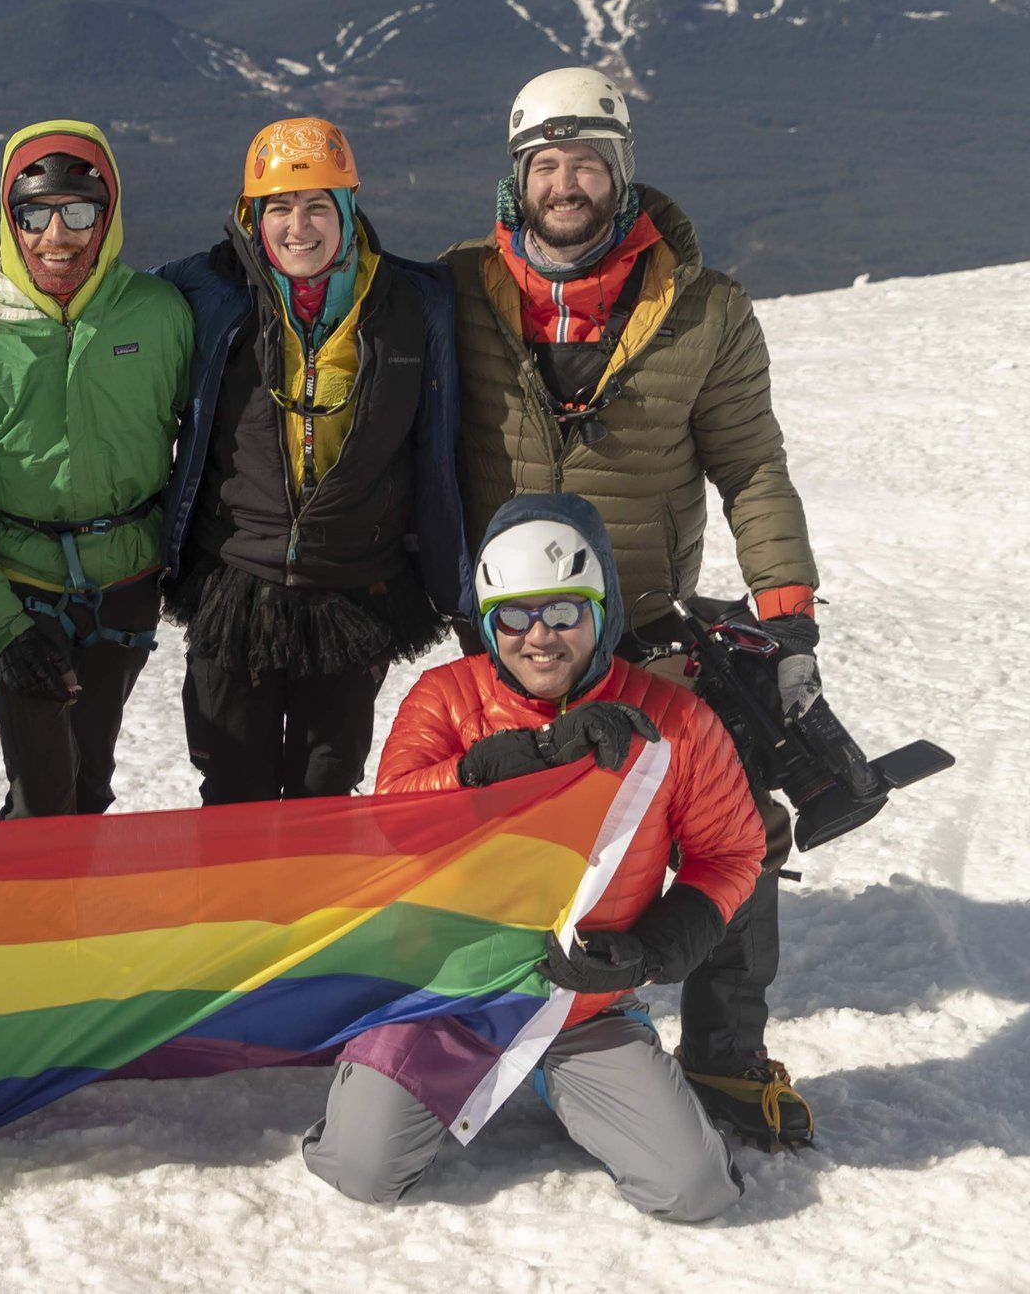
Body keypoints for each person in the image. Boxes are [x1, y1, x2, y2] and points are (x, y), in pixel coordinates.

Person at [446, 67, 820, 1146]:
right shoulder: (463, 292)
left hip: (644, 629)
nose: (568, 186)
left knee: (732, 823)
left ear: (623, 173)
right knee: (488, 817)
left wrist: (785, 617)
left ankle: (723, 1059)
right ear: (516, 180)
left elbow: (752, 468)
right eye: (546, 165)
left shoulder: (705, 315)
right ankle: (480, 1018)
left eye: (589, 164)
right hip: (508, 641)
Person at [302, 493, 761, 1220]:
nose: (538, 636)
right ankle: (379, 1076)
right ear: (487, 622)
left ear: (600, 609)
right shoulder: (445, 698)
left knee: (695, 1189)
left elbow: (730, 850)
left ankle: (551, 1074)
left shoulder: (674, 718)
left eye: (563, 611)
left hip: (582, 1004)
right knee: (361, 1169)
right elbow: (390, 827)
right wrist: (486, 770)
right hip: (445, 993)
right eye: (512, 616)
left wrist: (650, 951)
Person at [153, 116, 468, 806]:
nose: (299, 226)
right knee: (234, 785)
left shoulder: (415, 300)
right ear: (250, 216)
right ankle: (242, 917)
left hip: (355, 587)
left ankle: (316, 918)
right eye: (280, 208)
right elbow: (89, 296)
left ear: (349, 210)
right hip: (236, 579)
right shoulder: (206, 292)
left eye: (318, 205)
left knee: (327, 788)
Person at [0, 119, 193, 818]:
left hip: (125, 583)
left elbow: (209, 436)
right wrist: (1, 626)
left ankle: (71, 924)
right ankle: (26, 917)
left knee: (89, 784)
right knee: (43, 795)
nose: (56, 237)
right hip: (23, 588)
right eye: (33, 214)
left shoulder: (158, 317)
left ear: (109, 217)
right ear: (8, 217)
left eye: (79, 212)